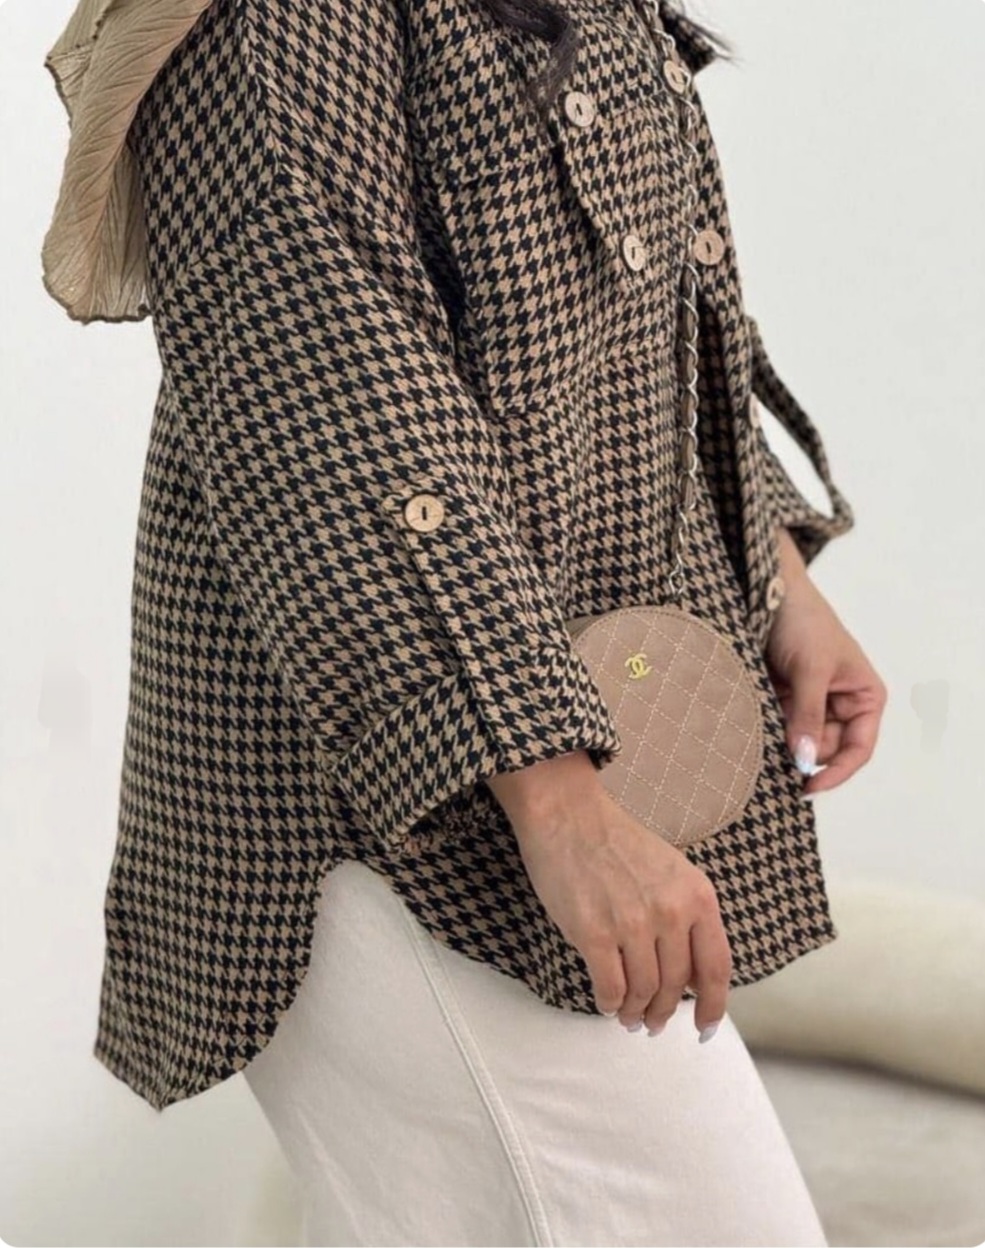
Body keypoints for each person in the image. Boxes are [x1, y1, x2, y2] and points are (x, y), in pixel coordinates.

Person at [40, 0, 887, 1243]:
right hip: (388, 809)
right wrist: (560, 805)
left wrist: (777, 576)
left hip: (550, 759)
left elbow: (641, 314)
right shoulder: (273, 21)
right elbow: (339, 410)